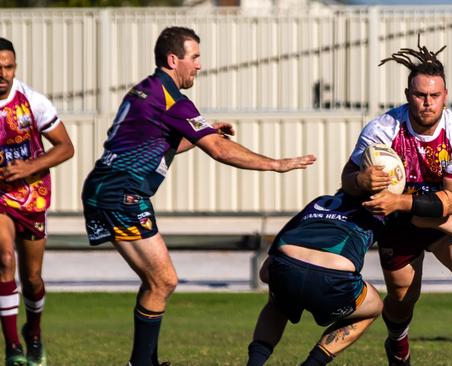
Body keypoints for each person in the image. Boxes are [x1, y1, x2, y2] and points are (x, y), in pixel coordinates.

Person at [80, 27, 316, 366]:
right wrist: (277, 164)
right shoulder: (174, 99)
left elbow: (159, 141)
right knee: (164, 280)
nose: (199, 66)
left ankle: (144, 361)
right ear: (173, 59)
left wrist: (204, 132)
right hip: (123, 194)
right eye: (195, 57)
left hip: (107, 189)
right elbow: (219, 151)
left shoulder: (145, 91)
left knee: (155, 282)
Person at [341, 37, 452, 366]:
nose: (427, 103)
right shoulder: (382, 129)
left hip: (443, 219)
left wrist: (400, 201)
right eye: (420, 95)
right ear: (408, 96)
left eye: (435, 96)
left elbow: (450, 203)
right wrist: (361, 181)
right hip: (396, 225)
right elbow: (347, 181)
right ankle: (397, 344)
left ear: (445, 96)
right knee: (403, 299)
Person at [246, 189, 452, 366]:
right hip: (334, 276)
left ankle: (255, 362)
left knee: (277, 303)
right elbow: (440, 221)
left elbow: (265, 272)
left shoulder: (320, 201)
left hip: (285, 264)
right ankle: (313, 363)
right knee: (374, 307)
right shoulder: (386, 205)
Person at [0, 38, 75, 366]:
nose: (2, 73)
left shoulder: (32, 101)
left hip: (31, 196)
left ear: (15, 67)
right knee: (4, 258)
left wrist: (29, 166)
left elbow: (65, 147)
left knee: (32, 279)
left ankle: (34, 333)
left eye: (8, 66)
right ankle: (13, 347)